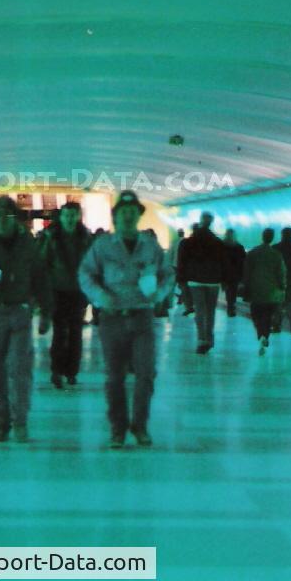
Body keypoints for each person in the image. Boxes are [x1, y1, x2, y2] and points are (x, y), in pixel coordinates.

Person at [79, 191, 174, 448]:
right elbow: (86, 274)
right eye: (124, 212)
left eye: (133, 212)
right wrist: (99, 297)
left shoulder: (150, 246)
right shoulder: (103, 246)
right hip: (113, 318)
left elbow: (168, 274)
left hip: (142, 316)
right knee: (114, 376)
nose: (129, 216)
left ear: (139, 216)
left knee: (146, 373)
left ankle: (140, 425)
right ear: (116, 217)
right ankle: (118, 428)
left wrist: (159, 294)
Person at [0, 196, 52, 443]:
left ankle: (20, 419)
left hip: (20, 311)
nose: (1, 221)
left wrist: (46, 311)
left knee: (20, 367)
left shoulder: (28, 246)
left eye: (6, 217)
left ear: (15, 220)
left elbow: (41, 279)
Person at [40, 201, 94, 388]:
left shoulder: (86, 238)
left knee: (76, 333)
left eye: (73, 215)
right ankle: (57, 370)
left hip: (78, 292)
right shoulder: (52, 238)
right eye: (67, 215)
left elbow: (92, 265)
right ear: (61, 217)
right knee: (59, 333)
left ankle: (71, 371)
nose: (70, 219)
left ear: (78, 217)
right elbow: (44, 264)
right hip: (58, 291)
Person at [177, 213, 226, 354]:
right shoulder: (217, 242)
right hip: (213, 281)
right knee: (210, 312)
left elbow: (182, 261)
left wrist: (181, 279)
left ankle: (201, 339)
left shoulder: (189, 242)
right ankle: (209, 338)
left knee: (200, 310)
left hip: (195, 280)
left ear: (200, 221)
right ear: (211, 222)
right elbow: (224, 262)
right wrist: (224, 279)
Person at [242, 228, 287, 355]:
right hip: (272, 292)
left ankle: (260, 335)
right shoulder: (276, 254)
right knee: (267, 316)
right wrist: (283, 287)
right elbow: (281, 273)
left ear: (262, 237)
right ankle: (265, 336)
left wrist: (246, 286)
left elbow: (246, 272)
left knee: (257, 316)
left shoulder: (252, 253)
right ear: (272, 238)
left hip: (255, 291)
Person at [221, 229, 246, 317]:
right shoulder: (239, 247)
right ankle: (231, 306)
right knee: (233, 290)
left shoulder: (222, 246)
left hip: (225, 274)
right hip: (235, 274)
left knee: (229, 290)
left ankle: (230, 306)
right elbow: (243, 262)